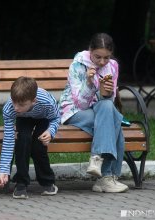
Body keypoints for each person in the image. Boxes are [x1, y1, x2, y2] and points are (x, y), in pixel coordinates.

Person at [58, 33, 128, 193]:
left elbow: (109, 103)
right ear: (90, 50)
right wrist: (89, 83)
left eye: (106, 58)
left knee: (109, 111)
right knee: (114, 120)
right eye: (98, 57)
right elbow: (80, 103)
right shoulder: (78, 64)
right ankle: (107, 177)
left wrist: (107, 93)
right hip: (73, 110)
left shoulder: (113, 66)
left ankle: (97, 160)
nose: (102, 62)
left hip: (101, 109)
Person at [0, 76, 60, 199]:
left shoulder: (47, 102)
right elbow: (8, 140)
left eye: (20, 104)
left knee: (38, 145)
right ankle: (21, 183)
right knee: (22, 141)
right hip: (23, 118)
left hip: (43, 118)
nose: (16, 107)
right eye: (14, 102)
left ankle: (47, 181)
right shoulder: (11, 108)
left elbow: (56, 118)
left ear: (33, 101)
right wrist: (4, 171)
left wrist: (50, 131)